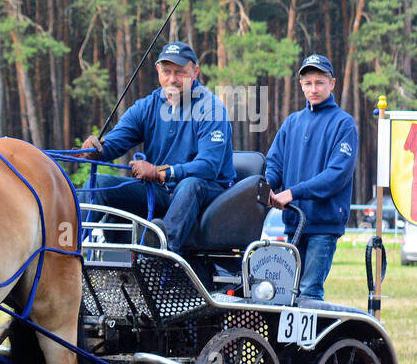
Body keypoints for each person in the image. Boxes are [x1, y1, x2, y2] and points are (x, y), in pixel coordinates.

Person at [79, 41, 236, 252]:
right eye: (167, 71)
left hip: (208, 191)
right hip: (162, 192)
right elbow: (114, 143)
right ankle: (64, 247)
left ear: (195, 72)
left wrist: (160, 172)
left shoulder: (211, 108)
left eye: (180, 72)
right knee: (97, 183)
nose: (172, 79)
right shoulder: (147, 106)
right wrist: (94, 150)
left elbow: (209, 166)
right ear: (158, 71)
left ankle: (160, 253)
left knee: (190, 184)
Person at [264, 54, 358, 302]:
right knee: (285, 294)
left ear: (332, 84)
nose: (313, 89)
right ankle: (288, 343)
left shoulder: (344, 124)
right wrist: (267, 187)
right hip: (293, 225)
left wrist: (292, 193)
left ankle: (310, 343)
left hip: (324, 227)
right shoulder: (292, 123)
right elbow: (274, 164)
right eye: (308, 83)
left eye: (319, 82)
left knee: (308, 293)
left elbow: (336, 176)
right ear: (301, 85)